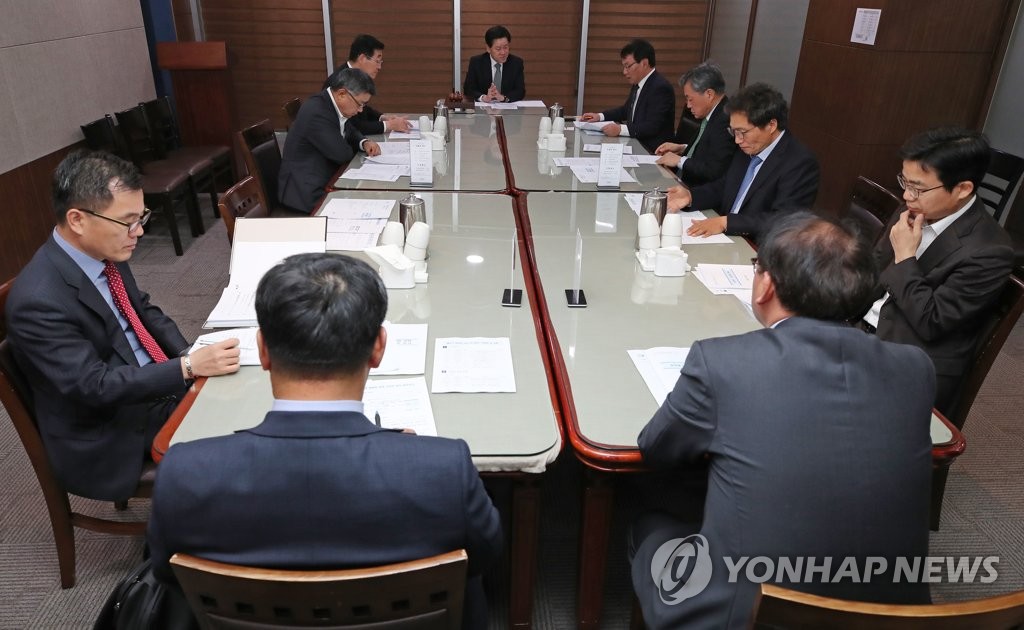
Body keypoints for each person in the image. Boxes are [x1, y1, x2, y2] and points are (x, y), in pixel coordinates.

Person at [147, 253, 502, 629]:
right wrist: (402, 452)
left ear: (263, 350)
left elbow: (167, 573)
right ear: (379, 348)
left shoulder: (184, 472)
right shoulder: (443, 469)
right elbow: (485, 558)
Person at [630, 213, 935, 629]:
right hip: (893, 614)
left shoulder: (721, 362)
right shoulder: (915, 367)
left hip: (746, 614)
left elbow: (656, 449)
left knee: (649, 528)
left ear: (766, 285)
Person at [4, 150, 240, 502]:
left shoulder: (103, 250)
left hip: (147, 382)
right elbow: (94, 386)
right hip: (109, 426)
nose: (139, 231)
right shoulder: (38, 301)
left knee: (247, 393)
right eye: (127, 221)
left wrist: (187, 353)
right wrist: (187, 368)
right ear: (77, 219)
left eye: (141, 217)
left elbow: (142, 309)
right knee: (243, 436)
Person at [866, 127, 1015, 416]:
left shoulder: (990, 250)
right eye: (904, 181)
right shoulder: (912, 208)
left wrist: (905, 257)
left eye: (918, 188)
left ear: (962, 189)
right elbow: (873, 270)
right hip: (865, 332)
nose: (906, 195)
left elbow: (932, 321)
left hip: (911, 362)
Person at [665, 82, 819, 243]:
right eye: (734, 131)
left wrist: (726, 223)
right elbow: (725, 186)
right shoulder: (749, 146)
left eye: (742, 132)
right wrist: (691, 196)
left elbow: (783, 220)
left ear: (771, 125)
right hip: (724, 238)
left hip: (755, 246)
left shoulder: (799, 163)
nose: (737, 140)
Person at [279, 67, 382, 213]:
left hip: (326, 181)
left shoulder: (331, 104)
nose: (360, 110)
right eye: (360, 104)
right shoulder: (317, 112)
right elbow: (342, 155)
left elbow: (349, 128)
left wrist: (363, 142)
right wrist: (352, 143)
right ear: (342, 94)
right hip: (306, 194)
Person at [580, 39, 675, 153]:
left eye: (628, 66)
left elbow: (652, 126)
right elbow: (626, 110)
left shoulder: (660, 87)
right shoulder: (639, 84)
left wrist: (620, 129)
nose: (624, 72)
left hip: (652, 151)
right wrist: (599, 116)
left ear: (644, 63)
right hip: (636, 145)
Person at [654, 62, 736, 186]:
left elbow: (715, 169)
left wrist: (680, 161)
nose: (688, 105)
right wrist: (683, 148)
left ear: (709, 94)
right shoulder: (715, 112)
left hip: (696, 189)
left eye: (690, 99)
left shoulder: (725, 120)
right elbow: (710, 149)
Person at [324, 34, 412, 135]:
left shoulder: (356, 76)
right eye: (377, 61)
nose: (379, 67)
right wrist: (388, 125)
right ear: (362, 58)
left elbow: (362, 109)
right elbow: (351, 126)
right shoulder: (339, 81)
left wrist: (382, 118)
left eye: (381, 62)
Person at [463, 25, 526, 103]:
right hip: (483, 108)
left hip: (507, 108)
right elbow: (468, 89)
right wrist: (484, 98)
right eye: (498, 49)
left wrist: (503, 98)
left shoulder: (516, 63)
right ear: (488, 48)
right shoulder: (477, 62)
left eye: (505, 47)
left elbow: (520, 91)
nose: (503, 52)